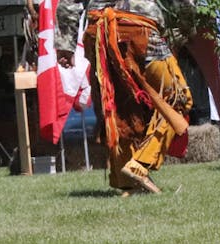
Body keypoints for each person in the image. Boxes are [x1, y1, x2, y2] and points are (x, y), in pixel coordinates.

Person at [55, 0, 193, 195]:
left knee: (120, 107)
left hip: (98, 32)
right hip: (138, 26)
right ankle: (139, 165)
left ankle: (128, 182)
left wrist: (65, 44)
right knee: (178, 97)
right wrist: (182, 32)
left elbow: (68, 2)